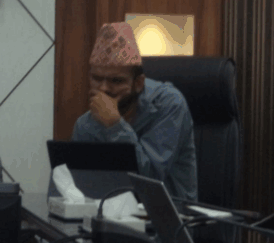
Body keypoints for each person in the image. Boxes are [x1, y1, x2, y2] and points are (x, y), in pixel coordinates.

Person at [71, 22, 197, 201]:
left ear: (138, 83)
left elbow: (149, 180)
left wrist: (115, 126)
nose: (103, 89)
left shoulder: (170, 104)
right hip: (111, 213)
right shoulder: (86, 124)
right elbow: (78, 188)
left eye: (116, 81)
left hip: (168, 213)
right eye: (97, 79)